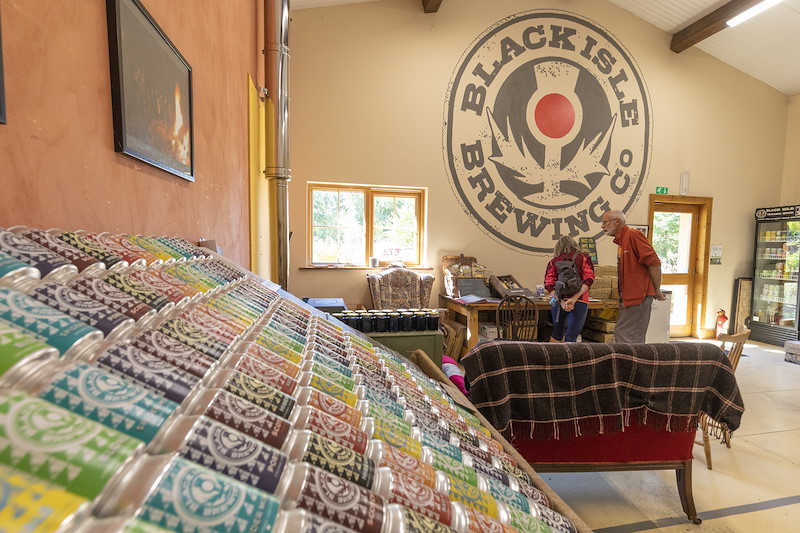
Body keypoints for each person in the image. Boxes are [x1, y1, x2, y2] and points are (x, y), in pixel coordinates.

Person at [601, 210, 666, 343]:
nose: (602, 226)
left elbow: (654, 262)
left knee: (627, 336)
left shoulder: (633, 235)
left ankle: (630, 363)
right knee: (624, 333)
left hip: (638, 296)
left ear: (617, 221)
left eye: (604, 222)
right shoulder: (622, 241)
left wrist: (657, 289)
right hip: (629, 296)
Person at [544, 235, 595, 342]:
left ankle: (552, 358)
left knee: (557, 333)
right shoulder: (584, 258)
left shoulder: (554, 261)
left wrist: (561, 301)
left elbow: (548, 284)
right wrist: (574, 298)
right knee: (571, 336)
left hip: (559, 302)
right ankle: (570, 358)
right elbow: (589, 279)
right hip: (580, 301)